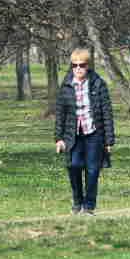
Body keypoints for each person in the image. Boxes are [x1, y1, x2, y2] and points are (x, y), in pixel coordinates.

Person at [54, 47, 115, 214]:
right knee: (73, 166)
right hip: (73, 135)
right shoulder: (66, 85)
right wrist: (58, 138)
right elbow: (60, 113)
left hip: (94, 133)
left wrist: (109, 141)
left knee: (92, 170)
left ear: (88, 65)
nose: (78, 68)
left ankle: (89, 206)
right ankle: (77, 201)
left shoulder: (98, 83)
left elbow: (106, 112)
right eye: (74, 65)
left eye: (82, 65)